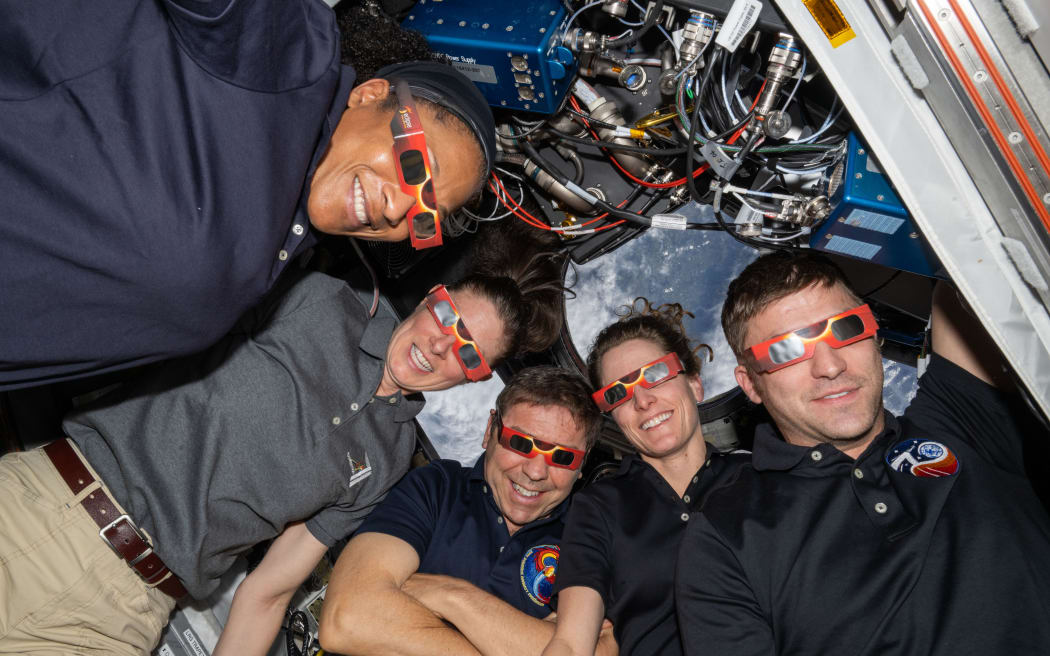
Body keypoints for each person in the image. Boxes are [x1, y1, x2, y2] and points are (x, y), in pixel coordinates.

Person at [0, 234, 566, 656]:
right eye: (448, 315)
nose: (444, 345)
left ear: (472, 378)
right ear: (430, 298)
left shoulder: (389, 460)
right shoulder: (318, 298)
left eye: (470, 353)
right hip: (42, 509)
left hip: (123, 613)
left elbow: (269, 591)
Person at [0, 0, 496, 390]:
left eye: (425, 219)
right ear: (370, 95)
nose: (399, 209)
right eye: (416, 167)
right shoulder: (286, 56)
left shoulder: (285, 255)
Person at [675, 252, 1050, 655]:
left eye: (846, 327)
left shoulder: (958, 420)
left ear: (874, 335)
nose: (830, 365)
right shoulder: (724, 537)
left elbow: (979, 254)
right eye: (786, 351)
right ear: (750, 384)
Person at [318, 366, 617, 656]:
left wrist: (453, 596)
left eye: (563, 456)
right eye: (521, 442)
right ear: (491, 430)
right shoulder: (436, 489)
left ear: (581, 467)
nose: (537, 471)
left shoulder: (593, 546)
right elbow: (347, 618)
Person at [542, 300, 747, 656]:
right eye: (618, 393)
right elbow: (571, 643)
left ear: (695, 384)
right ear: (615, 419)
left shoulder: (759, 478)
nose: (642, 399)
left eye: (654, 374)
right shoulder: (599, 507)